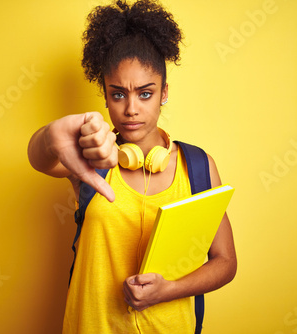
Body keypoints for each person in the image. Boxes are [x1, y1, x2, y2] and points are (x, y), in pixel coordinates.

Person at [27, 0, 237, 332]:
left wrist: (169, 290)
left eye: (145, 93)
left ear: (163, 92)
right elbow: (39, 158)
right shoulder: (88, 156)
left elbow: (226, 262)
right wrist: (51, 135)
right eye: (118, 95)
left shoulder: (198, 166)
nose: (131, 110)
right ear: (106, 95)